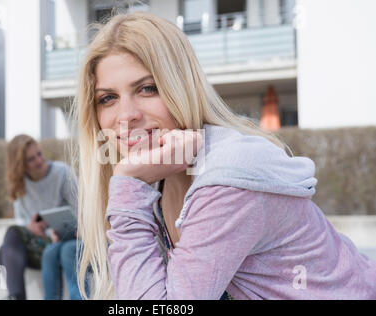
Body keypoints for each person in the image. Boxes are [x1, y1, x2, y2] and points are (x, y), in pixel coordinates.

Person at [69, 11, 376, 300]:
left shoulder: (227, 179)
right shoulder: (158, 181)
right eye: (107, 98)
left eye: (148, 89)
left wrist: (127, 182)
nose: (126, 115)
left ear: (181, 86)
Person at [0, 134, 83, 300]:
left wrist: (54, 228)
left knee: (6, 248)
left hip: (61, 240)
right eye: (31, 159)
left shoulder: (62, 172)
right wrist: (31, 228)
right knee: (10, 239)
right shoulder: (19, 184)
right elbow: (21, 221)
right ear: (20, 166)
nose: (39, 160)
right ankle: (16, 296)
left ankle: (15, 296)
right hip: (37, 242)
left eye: (39, 154)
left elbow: (80, 211)